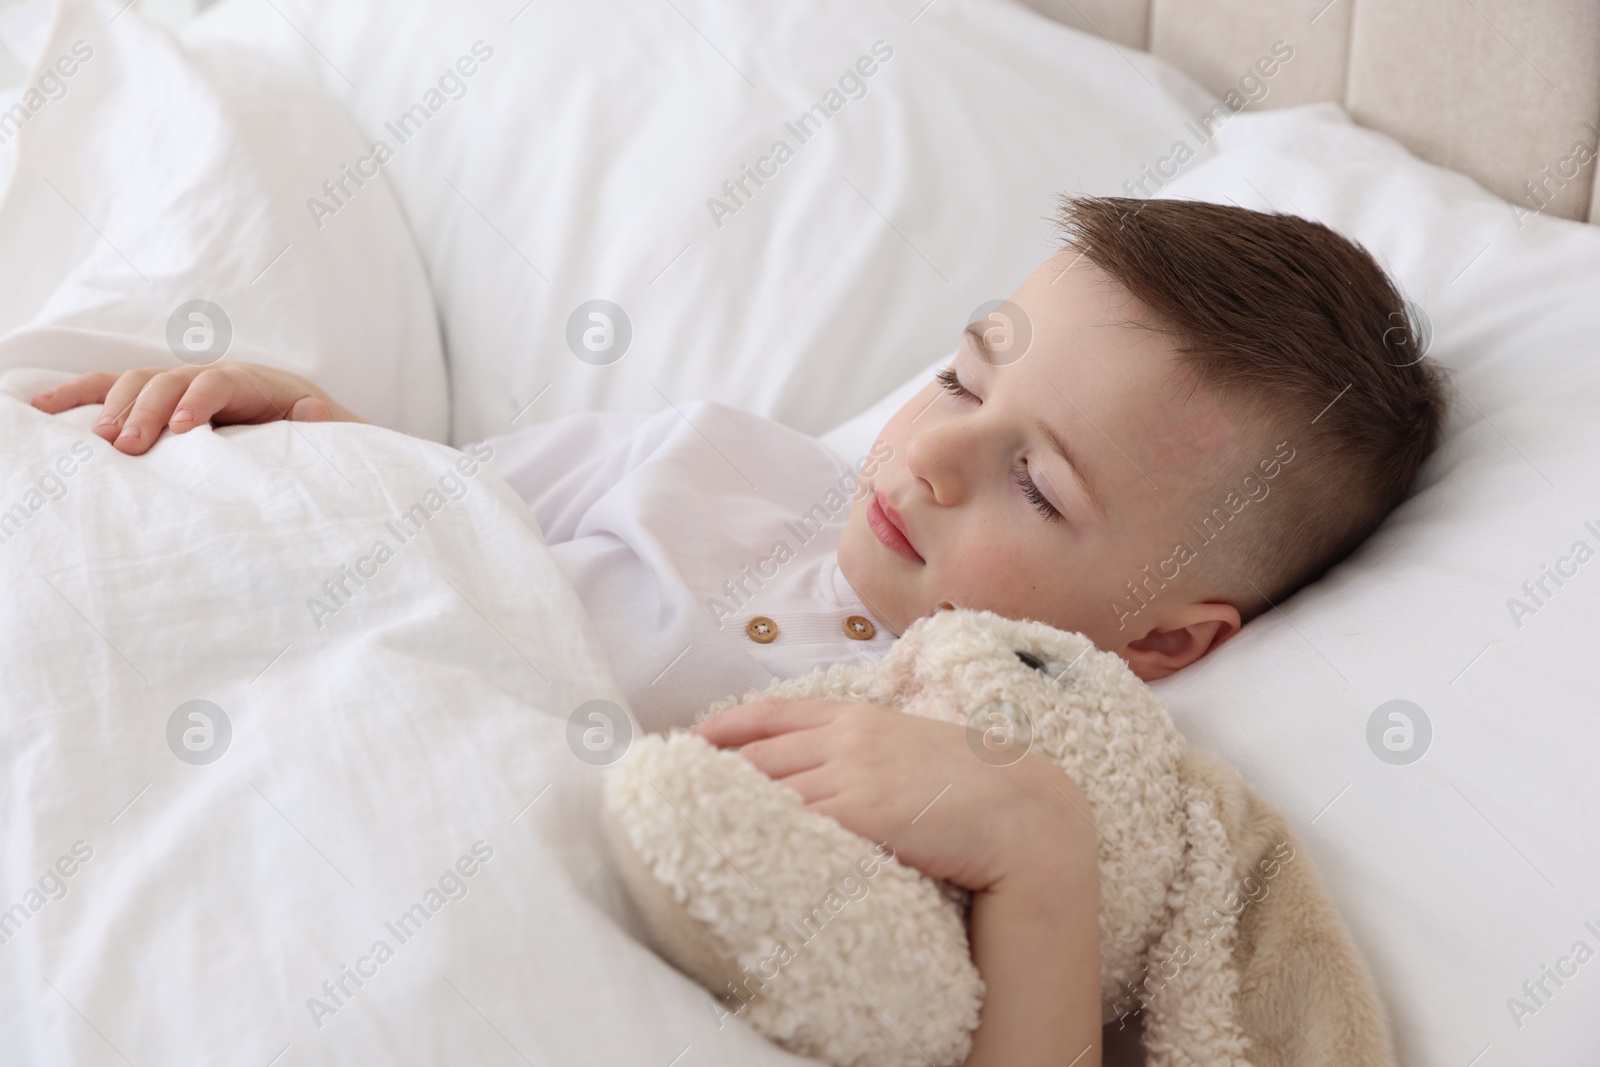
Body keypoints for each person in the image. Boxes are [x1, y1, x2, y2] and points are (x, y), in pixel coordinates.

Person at [30, 196, 1446, 1065]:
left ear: (1164, 643)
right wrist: (313, 438)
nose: (936, 458)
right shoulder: (699, 459)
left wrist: (1035, 857)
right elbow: (439, 534)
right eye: (961, 379)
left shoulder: (1039, 765)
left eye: (1037, 481)